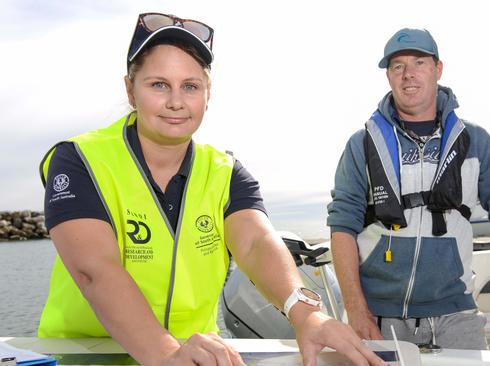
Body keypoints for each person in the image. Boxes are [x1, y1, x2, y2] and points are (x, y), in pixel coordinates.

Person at [38, 12, 386, 366]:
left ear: (207, 94)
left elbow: (256, 244)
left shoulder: (225, 171)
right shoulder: (79, 159)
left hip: (196, 356)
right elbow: (94, 269)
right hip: (84, 357)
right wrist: (167, 355)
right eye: (159, 84)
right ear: (130, 89)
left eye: (190, 86)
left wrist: (307, 313)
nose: (176, 101)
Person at [327, 28, 490, 350]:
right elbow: (342, 225)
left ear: (437, 69)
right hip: (379, 318)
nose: (408, 74)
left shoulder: (474, 141)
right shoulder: (362, 145)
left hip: (456, 313)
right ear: (388, 76)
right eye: (398, 66)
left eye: (419, 62)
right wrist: (356, 309)